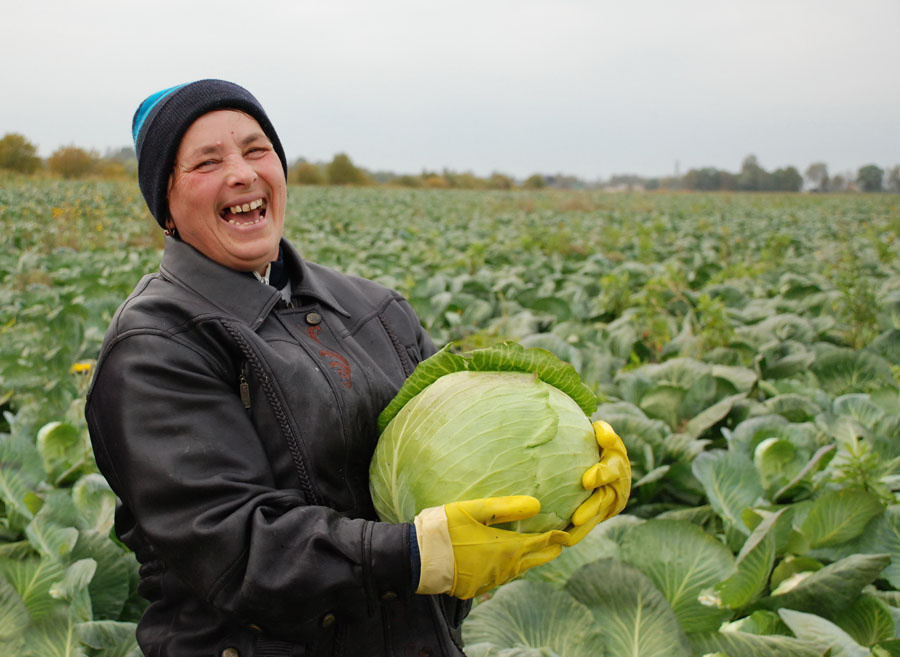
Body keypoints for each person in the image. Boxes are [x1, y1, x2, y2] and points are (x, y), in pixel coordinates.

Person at [85, 79, 631, 657]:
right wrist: (413, 555)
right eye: (207, 162)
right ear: (166, 205)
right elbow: (233, 549)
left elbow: (467, 459)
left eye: (256, 149)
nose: (242, 174)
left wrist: (572, 480)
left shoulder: (375, 309)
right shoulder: (156, 346)